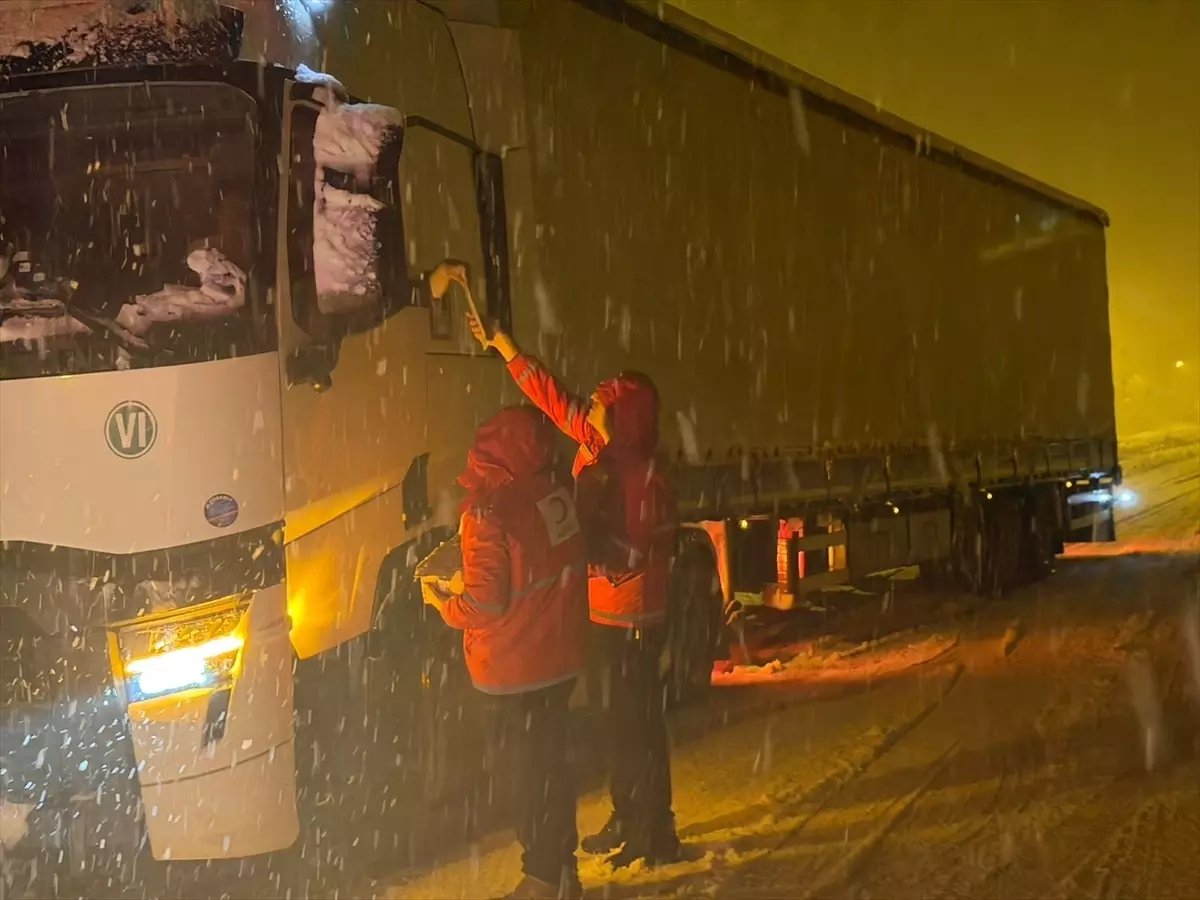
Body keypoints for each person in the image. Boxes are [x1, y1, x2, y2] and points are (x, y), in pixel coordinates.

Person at [464, 304, 683, 869]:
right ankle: (629, 811)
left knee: (637, 727)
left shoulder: (641, 477)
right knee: (617, 724)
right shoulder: (598, 440)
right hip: (605, 613)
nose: (589, 409)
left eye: (604, 405)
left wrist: (577, 548)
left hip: (635, 618)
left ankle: (652, 830)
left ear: (627, 420)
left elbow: (635, 552)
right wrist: (506, 348)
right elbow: (551, 396)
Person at [422, 405, 589, 900]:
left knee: (525, 776)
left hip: (512, 669)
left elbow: (484, 602)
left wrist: (443, 601)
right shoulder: (555, 494)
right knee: (551, 767)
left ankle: (541, 877)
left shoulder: (486, 513)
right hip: (558, 661)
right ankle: (562, 872)